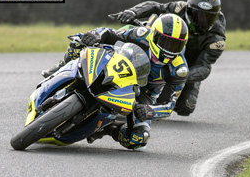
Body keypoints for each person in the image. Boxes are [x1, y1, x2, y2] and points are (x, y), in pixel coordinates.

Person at [79, 13, 189, 150]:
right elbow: (111, 33)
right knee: (79, 41)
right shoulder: (142, 34)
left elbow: (169, 106)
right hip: (119, 68)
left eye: (176, 45)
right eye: (165, 41)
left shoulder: (179, 69)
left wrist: (149, 111)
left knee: (139, 138)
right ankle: (60, 68)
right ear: (154, 35)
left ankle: (108, 129)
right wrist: (96, 34)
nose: (169, 49)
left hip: (143, 94)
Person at [116, 0, 226, 116]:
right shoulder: (179, 8)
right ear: (189, 10)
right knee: (131, 36)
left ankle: (153, 106)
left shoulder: (217, 39)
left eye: (208, 18)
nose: (202, 22)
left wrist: (180, 77)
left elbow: (204, 67)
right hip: (158, 47)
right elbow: (156, 7)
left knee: (186, 106)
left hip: (185, 66)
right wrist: (133, 12)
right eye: (198, 16)